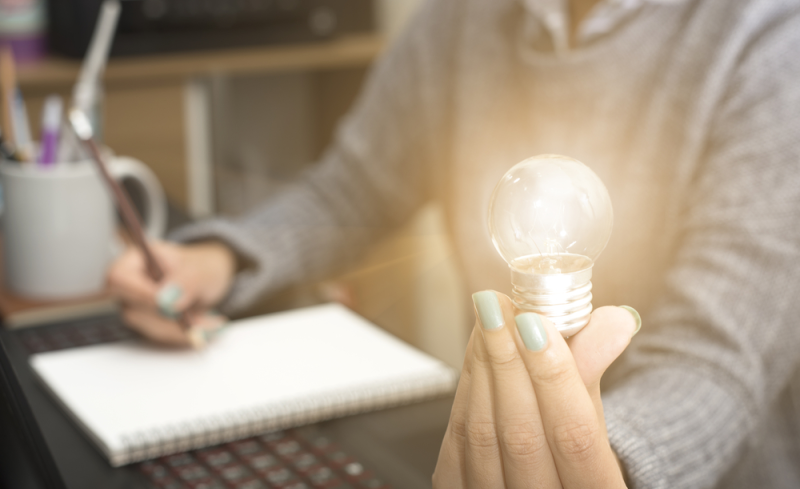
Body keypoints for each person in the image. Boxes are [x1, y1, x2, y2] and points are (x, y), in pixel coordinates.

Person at [108, 0, 800, 486]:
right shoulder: (461, 17)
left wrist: (599, 459)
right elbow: (354, 186)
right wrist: (220, 258)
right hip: (489, 454)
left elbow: (717, 360)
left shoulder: (772, 37)